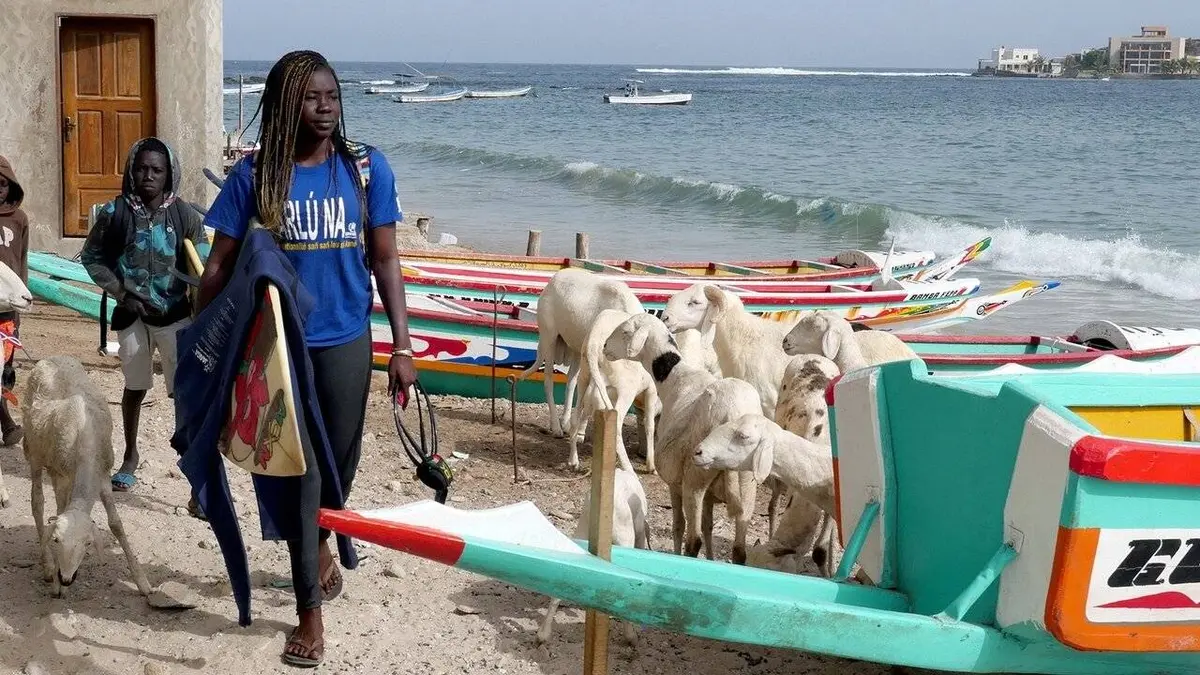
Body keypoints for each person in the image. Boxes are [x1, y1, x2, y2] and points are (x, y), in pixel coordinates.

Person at [197, 49, 418, 668]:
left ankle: (318, 540)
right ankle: (308, 615)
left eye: (334, 97)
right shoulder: (257, 177)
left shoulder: (367, 170)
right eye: (312, 97)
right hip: (278, 347)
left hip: (348, 340)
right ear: (286, 102)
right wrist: (200, 347)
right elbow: (218, 266)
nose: (326, 107)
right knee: (305, 473)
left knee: (339, 469)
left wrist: (403, 344)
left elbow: (386, 260)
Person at [81, 137, 208, 492]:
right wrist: (122, 293)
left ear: (169, 175)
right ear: (131, 171)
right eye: (142, 168)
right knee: (135, 387)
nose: (148, 176)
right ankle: (130, 456)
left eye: (157, 170)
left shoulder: (183, 216)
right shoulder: (115, 214)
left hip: (176, 317)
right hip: (131, 316)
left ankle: (193, 474)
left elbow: (204, 267)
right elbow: (92, 258)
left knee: (183, 393)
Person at [0, 155, 29, 446]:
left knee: (5, 365)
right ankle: (6, 422)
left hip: (8, 309)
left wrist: (23, 298)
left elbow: (21, 261)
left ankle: (6, 421)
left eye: (3, 184)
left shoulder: (19, 220)